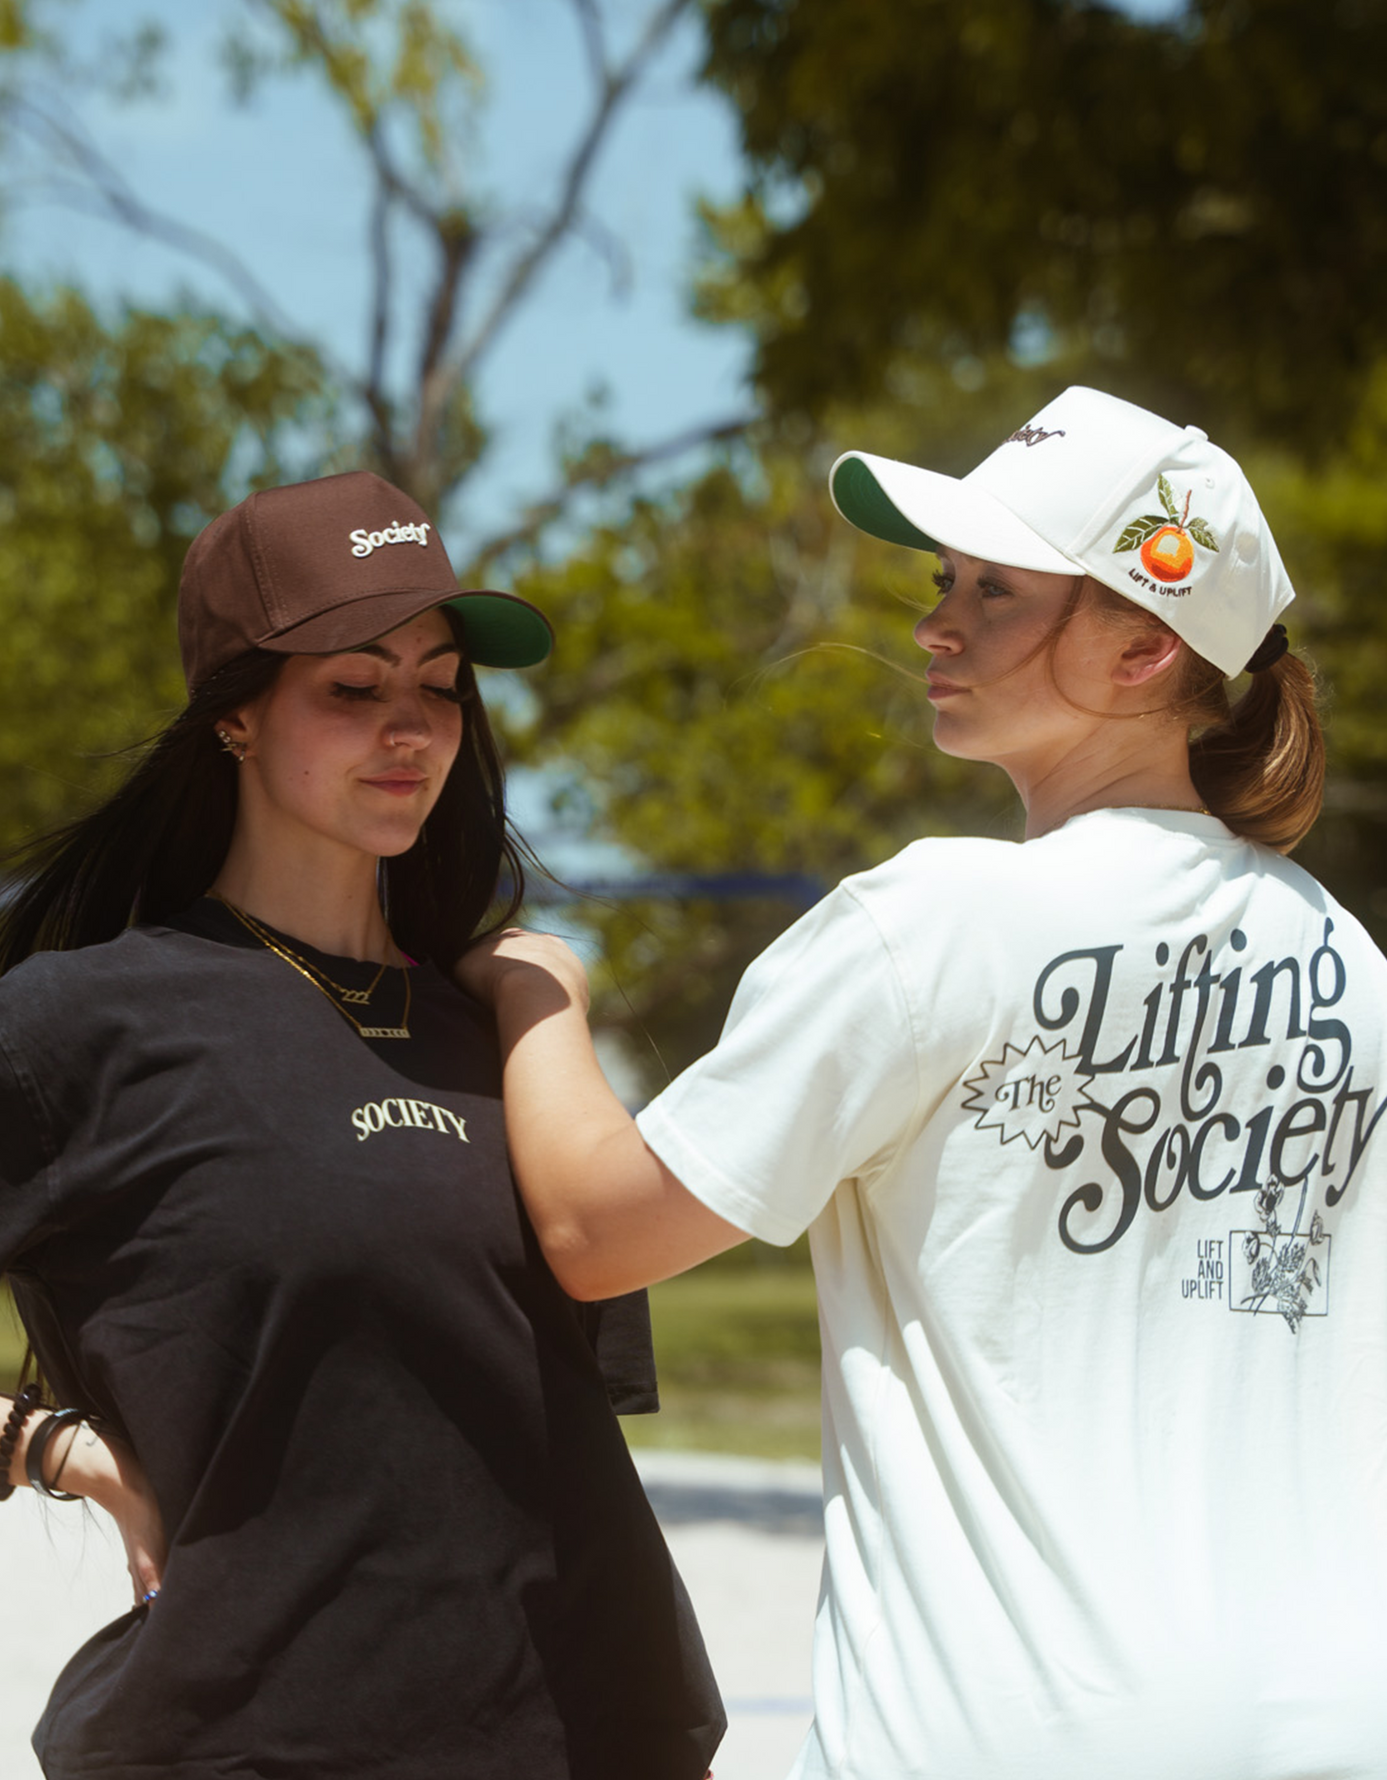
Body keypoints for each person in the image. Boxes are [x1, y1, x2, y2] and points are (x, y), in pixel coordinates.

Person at [457, 386, 1387, 1780]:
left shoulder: (934, 918)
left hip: (1006, 1731)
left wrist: (534, 989)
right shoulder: (1342, 954)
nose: (934, 623)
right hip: (1331, 1715)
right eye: (944, 580)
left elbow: (600, 1233)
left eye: (998, 591)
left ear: (1143, 648)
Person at [0, 469, 725, 1780]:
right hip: (250, 1743)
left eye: (440, 685)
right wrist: (55, 1448)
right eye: (353, 686)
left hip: (583, 1741)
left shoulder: (506, 1032)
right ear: (233, 715)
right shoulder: (76, 1023)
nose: (414, 729)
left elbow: (556, 1427)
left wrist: (534, 998)